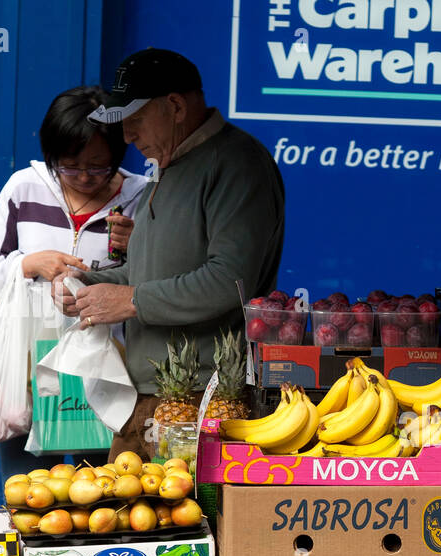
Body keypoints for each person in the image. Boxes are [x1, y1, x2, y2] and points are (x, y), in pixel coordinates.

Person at [52, 49, 286, 459]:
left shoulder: (237, 163)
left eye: (135, 121)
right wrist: (85, 287)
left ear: (175, 106)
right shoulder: (169, 163)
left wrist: (132, 300)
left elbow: (229, 281)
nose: (126, 137)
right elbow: (144, 275)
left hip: (206, 399)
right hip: (149, 397)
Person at [0, 85, 151, 478]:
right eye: (70, 166)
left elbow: (159, 285)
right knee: (30, 499)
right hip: (31, 371)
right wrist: (28, 263)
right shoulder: (24, 188)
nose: (85, 177)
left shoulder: (141, 197)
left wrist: (139, 245)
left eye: (99, 166)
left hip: (109, 375)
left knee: (100, 496)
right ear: (51, 155)